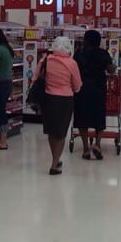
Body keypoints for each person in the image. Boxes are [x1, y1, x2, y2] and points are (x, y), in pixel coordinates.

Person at [33, 35, 82, 175]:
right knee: (61, 133)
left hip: (48, 99)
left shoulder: (46, 60)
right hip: (65, 100)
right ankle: (54, 165)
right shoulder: (72, 63)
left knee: (51, 131)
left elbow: (35, 77)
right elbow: (77, 85)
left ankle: (56, 158)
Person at [74, 29, 116, 160]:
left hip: (81, 88)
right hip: (98, 88)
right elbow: (110, 69)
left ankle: (86, 149)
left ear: (86, 40)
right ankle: (97, 145)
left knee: (82, 118)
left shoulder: (79, 53)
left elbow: (73, 68)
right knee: (99, 116)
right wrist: (112, 66)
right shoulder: (103, 54)